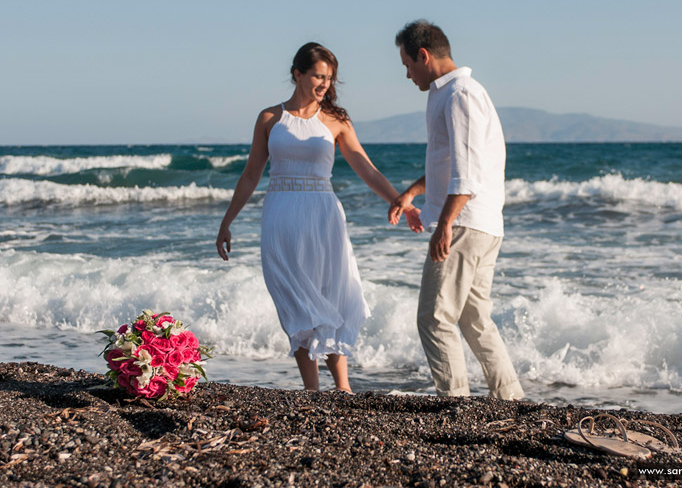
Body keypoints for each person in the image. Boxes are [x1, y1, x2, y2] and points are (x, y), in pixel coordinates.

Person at [217, 42, 421, 393]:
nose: (324, 83)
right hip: (281, 216)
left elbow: (365, 168)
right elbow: (251, 173)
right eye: (317, 75)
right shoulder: (270, 118)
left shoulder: (336, 121)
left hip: (323, 217)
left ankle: (343, 388)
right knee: (296, 299)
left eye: (329, 77)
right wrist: (227, 221)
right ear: (297, 73)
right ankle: (311, 391)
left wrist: (402, 201)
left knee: (330, 294)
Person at [388, 20, 525, 400]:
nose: (407, 74)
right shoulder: (451, 93)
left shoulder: (460, 94)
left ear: (424, 55)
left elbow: (467, 172)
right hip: (484, 224)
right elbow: (448, 163)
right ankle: (511, 399)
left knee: (434, 318)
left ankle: (456, 403)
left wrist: (445, 223)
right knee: (474, 319)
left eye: (407, 65)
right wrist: (412, 193)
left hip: (465, 223)